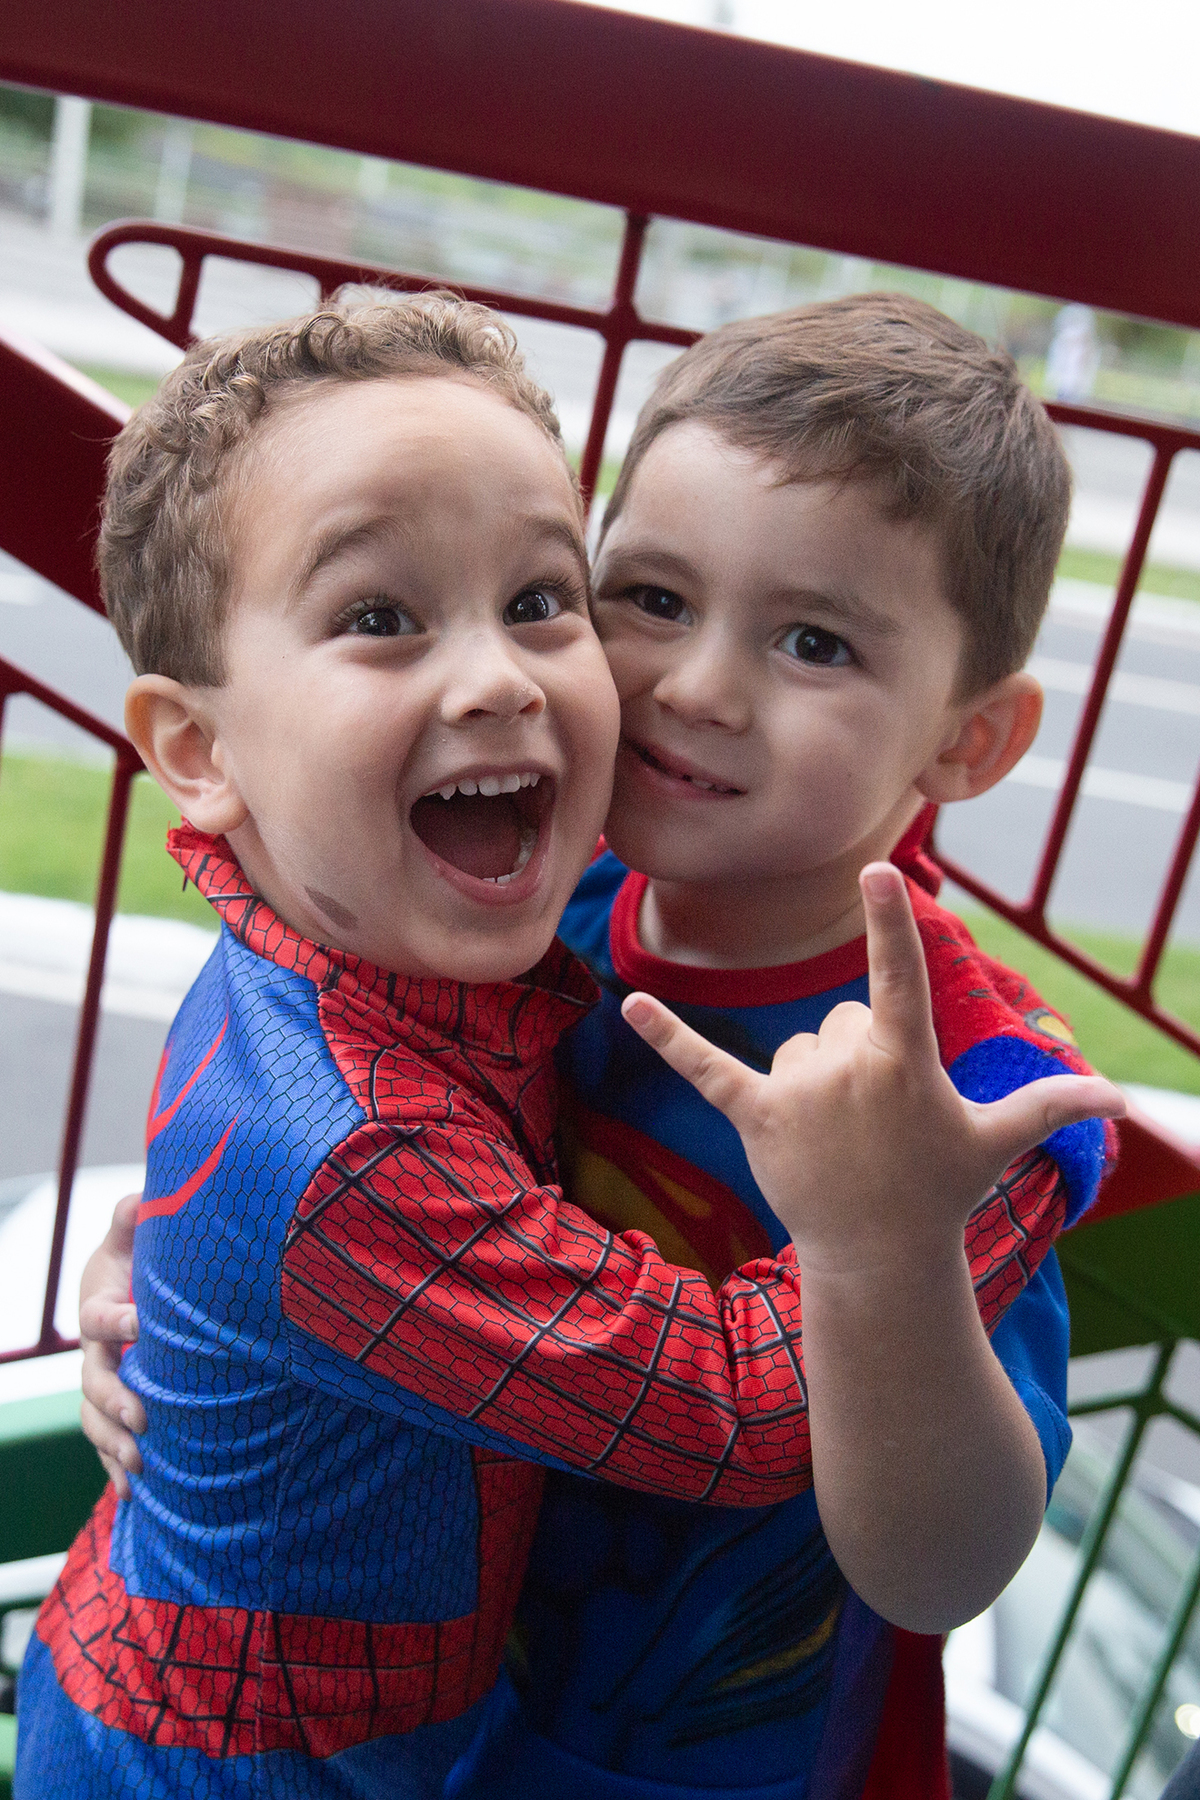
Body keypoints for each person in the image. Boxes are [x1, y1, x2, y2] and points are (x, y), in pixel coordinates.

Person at [69, 292, 1121, 1800]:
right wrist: (161, 1279)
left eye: (813, 641)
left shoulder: (956, 1096)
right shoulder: (533, 910)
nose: (697, 688)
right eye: (648, 600)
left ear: (967, 741)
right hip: (450, 1735)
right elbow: (316, 1139)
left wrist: (886, 1246)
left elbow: (943, 1569)